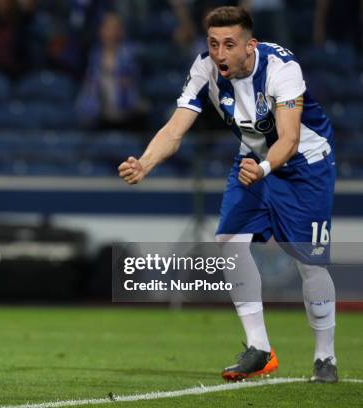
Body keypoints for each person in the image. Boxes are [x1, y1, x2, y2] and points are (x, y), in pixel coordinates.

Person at [118, 6, 337, 383]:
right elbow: (174, 130)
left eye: (229, 44)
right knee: (230, 240)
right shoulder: (204, 69)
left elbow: (290, 138)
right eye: (213, 43)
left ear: (249, 46)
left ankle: (325, 358)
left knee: (310, 262)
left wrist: (265, 169)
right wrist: (146, 163)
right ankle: (260, 349)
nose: (219, 53)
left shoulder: (282, 68)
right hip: (251, 159)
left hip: (304, 167)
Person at [76, 12, 148, 131]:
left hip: (129, 116)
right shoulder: (93, 56)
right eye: (108, 28)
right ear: (101, 31)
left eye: (115, 27)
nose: (111, 32)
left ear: (121, 31)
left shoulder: (131, 54)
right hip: (101, 116)